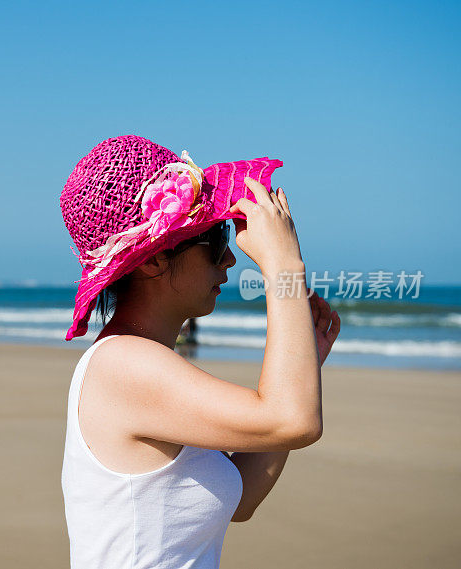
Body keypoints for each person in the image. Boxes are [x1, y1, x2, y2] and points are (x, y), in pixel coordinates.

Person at [59, 135, 341, 569]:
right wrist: (283, 265)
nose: (228, 258)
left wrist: (306, 361)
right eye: (212, 239)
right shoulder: (123, 366)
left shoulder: (139, 362)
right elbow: (293, 419)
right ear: (152, 260)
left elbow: (240, 498)